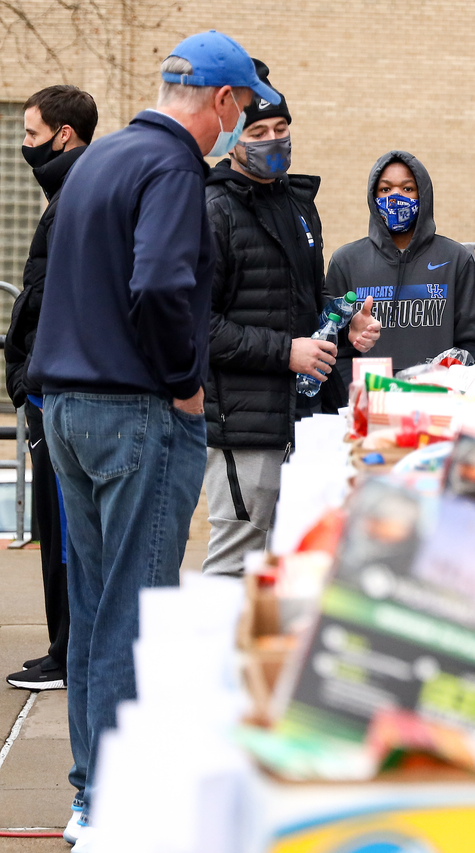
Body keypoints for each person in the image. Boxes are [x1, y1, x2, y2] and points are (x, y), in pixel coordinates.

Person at [28, 30, 277, 846]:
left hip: (67, 404)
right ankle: (121, 799)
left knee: (98, 613)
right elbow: (163, 282)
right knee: (137, 611)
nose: (237, 129)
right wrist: (184, 381)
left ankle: (92, 793)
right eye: (242, 111)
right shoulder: (172, 166)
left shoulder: (98, 160)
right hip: (136, 408)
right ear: (224, 102)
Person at [202, 61, 381, 577]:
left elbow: (305, 302)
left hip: (309, 421)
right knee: (237, 563)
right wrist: (287, 352)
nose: (274, 141)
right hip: (244, 427)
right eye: (259, 132)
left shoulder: (301, 205)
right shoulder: (212, 210)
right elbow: (198, 326)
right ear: (232, 137)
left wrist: (344, 330)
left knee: (298, 566)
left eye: (282, 130)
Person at [3, 85, 97, 694]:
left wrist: (29, 376)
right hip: (47, 387)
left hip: (54, 394)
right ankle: (62, 646)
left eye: (32, 135)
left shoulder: (74, 198)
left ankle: (67, 653)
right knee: (58, 531)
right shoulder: (67, 193)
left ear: (64, 135)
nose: (24, 146)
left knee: (65, 534)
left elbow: (57, 301)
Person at [327, 151, 475, 376]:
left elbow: (474, 344)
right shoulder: (346, 261)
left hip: (436, 400)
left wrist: (449, 386)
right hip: (370, 401)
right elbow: (332, 342)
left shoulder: (455, 259)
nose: (395, 197)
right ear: (373, 197)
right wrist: (354, 394)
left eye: (407, 188)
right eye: (385, 189)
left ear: (423, 195)